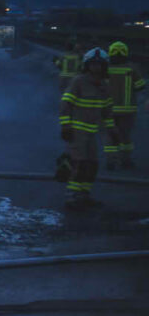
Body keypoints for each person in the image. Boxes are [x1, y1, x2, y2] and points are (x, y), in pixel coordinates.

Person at [60, 47, 117, 209]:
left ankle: (84, 196)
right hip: (77, 132)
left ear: (104, 66)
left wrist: (112, 129)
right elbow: (66, 104)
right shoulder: (79, 81)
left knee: (93, 165)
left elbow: (107, 110)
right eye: (93, 64)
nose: (96, 67)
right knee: (80, 164)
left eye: (99, 65)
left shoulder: (104, 86)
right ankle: (71, 198)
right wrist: (65, 125)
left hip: (91, 132)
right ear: (87, 65)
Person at [105, 41, 145, 170]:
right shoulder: (132, 69)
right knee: (125, 136)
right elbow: (140, 86)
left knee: (111, 135)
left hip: (109, 110)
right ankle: (125, 161)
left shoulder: (105, 69)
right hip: (128, 110)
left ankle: (110, 161)